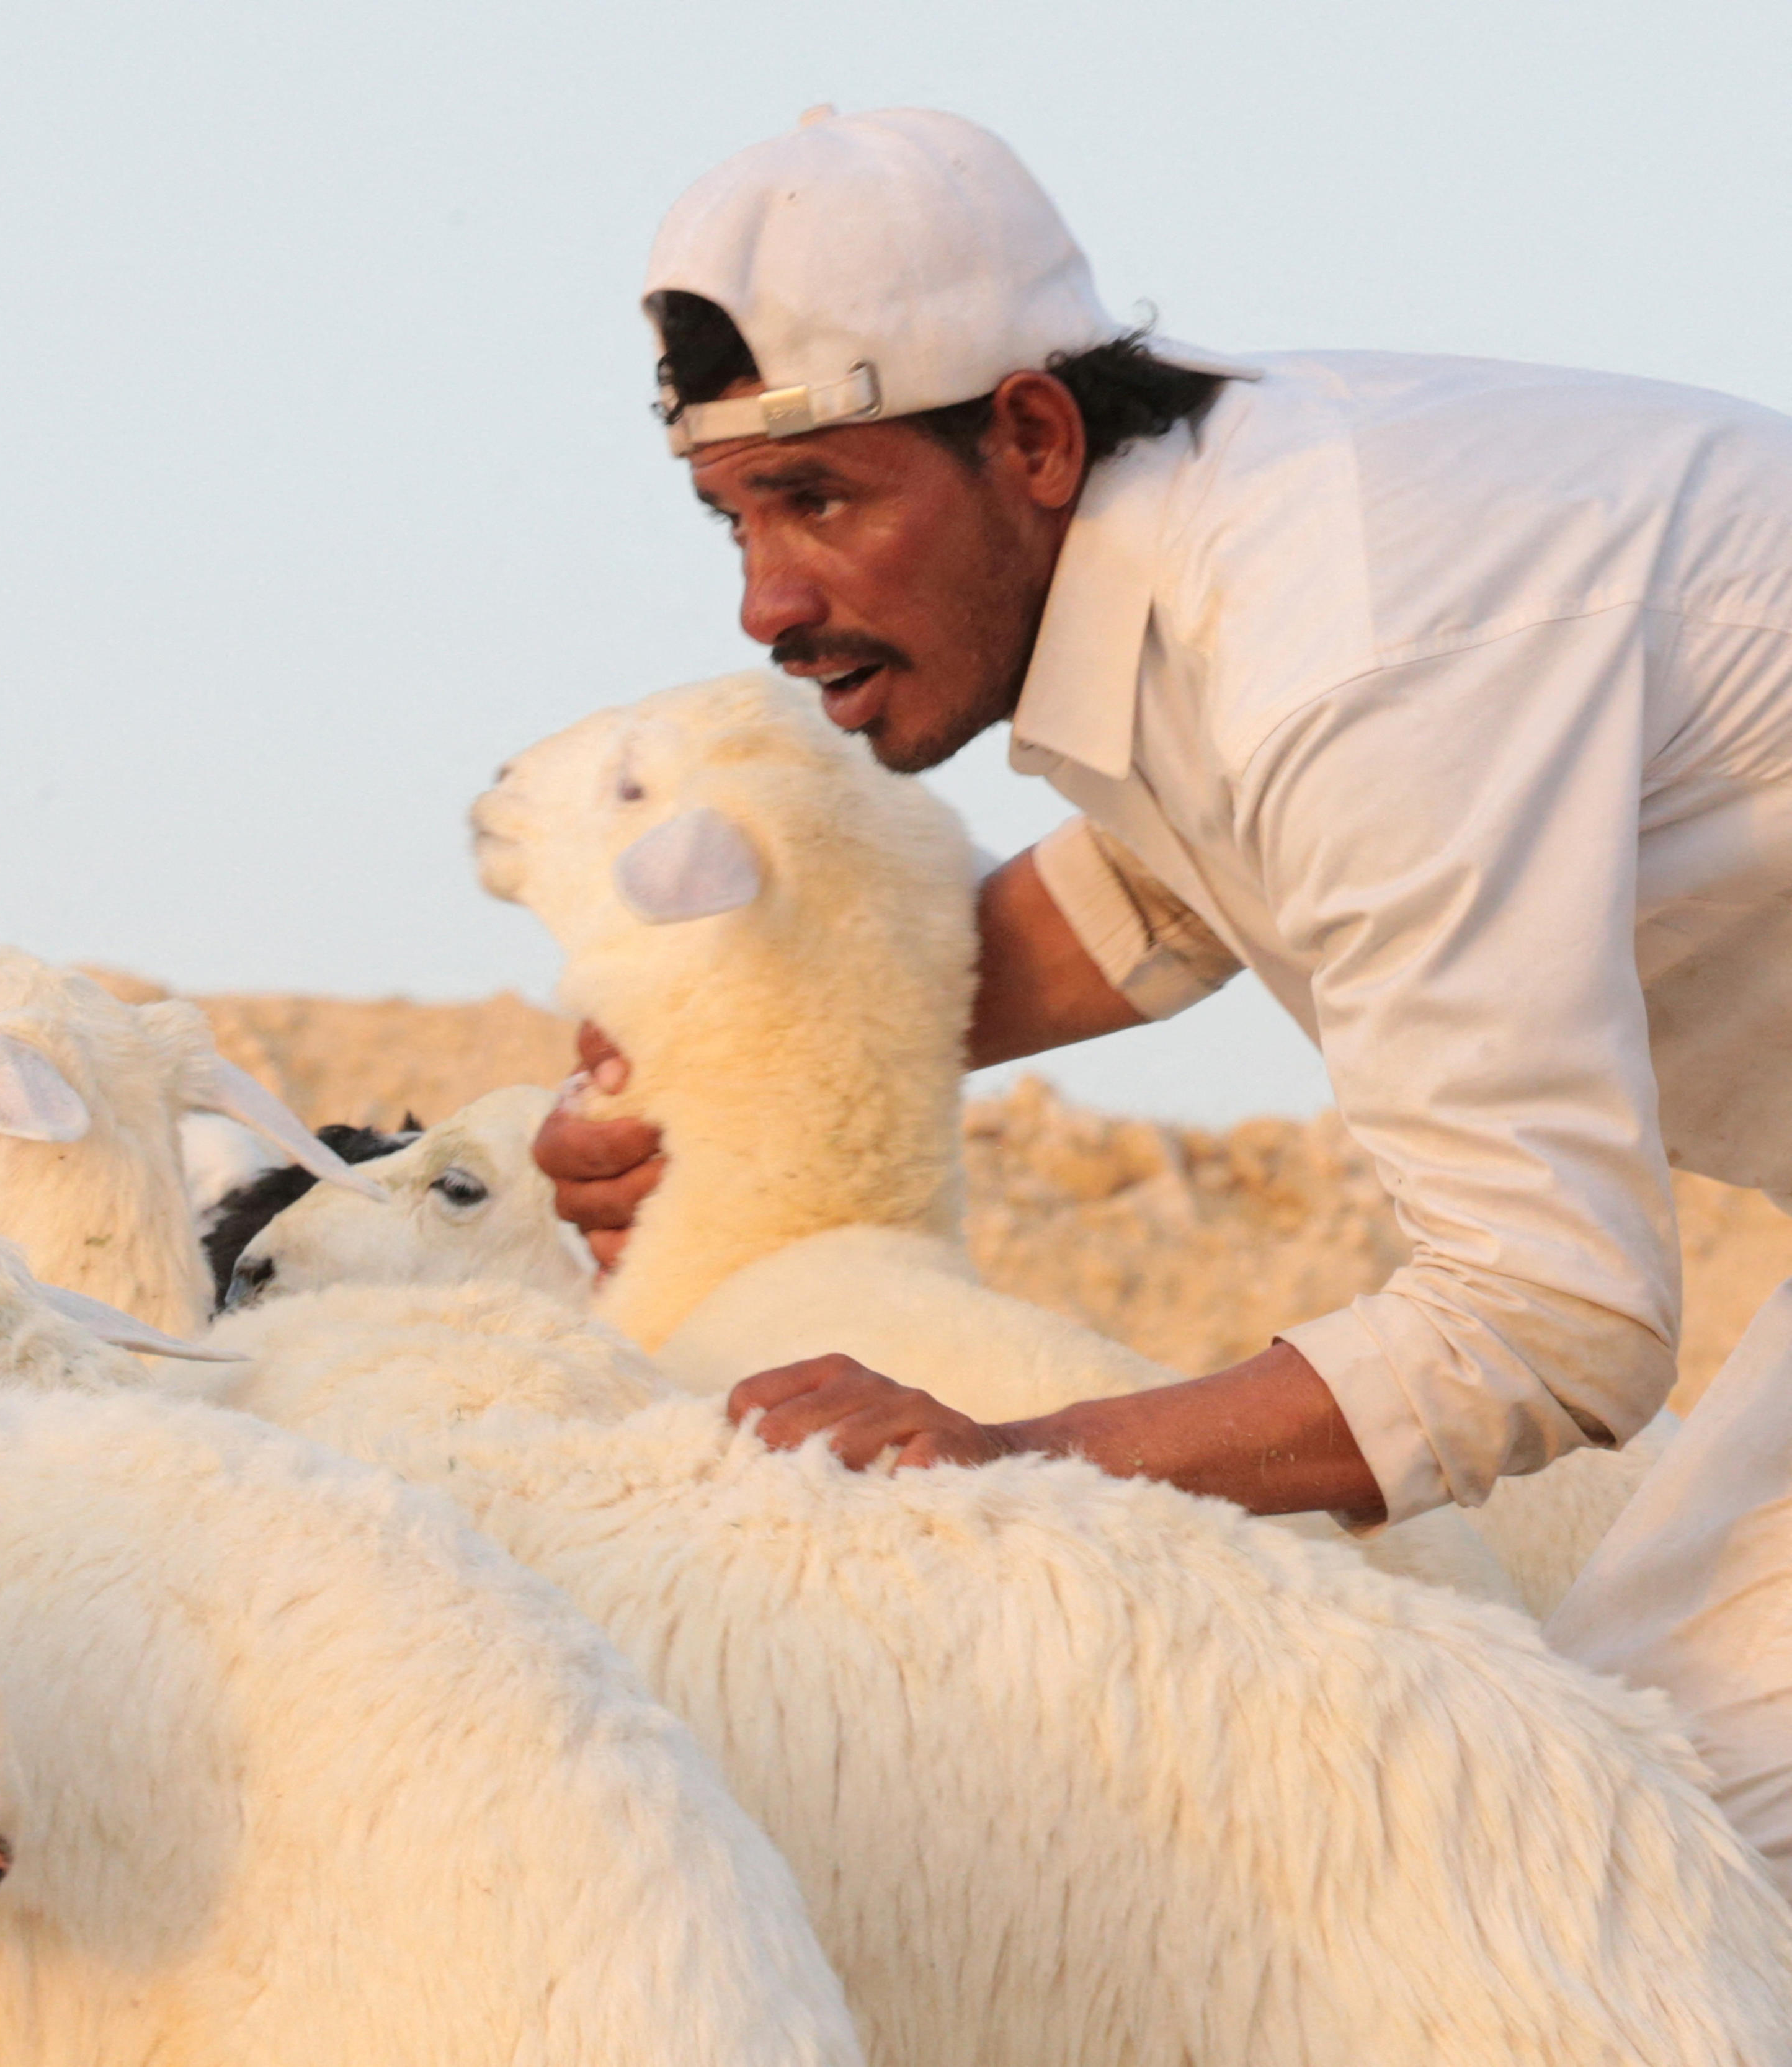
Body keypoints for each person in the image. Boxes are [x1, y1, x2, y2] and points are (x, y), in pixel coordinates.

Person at [529, 104, 1792, 1875]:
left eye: (820, 499)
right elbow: (1160, 892)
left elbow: (1551, 1316)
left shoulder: (1343, 648)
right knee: (1637, 1840)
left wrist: (1011, 1458)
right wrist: (724, 1087)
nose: (764, 604)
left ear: (1031, 434)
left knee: (1654, 1856)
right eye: (734, 516)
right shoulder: (1211, 563)